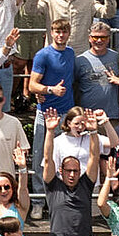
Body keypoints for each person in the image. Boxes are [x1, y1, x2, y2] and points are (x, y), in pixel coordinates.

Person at [40, 109, 106, 236]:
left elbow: (94, 157)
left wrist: (93, 132)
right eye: (68, 170)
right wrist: (49, 131)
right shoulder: (53, 186)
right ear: (61, 171)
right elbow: (48, 159)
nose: (72, 174)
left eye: (75, 171)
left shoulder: (85, 184)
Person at [27, 19, 77, 214]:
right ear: (51, 32)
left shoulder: (71, 53)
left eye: (64, 32)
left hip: (67, 115)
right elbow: (32, 85)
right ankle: (39, 202)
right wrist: (50, 90)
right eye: (57, 31)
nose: (60, 35)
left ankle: (61, 200)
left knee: (65, 157)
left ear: (68, 33)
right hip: (46, 114)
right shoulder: (43, 55)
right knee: (41, 157)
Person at [74, 22, 119, 127]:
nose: (99, 41)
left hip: (112, 116)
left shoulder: (117, 57)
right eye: (95, 38)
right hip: (88, 117)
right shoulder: (80, 60)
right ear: (89, 38)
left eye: (103, 38)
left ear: (109, 39)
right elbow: (73, 85)